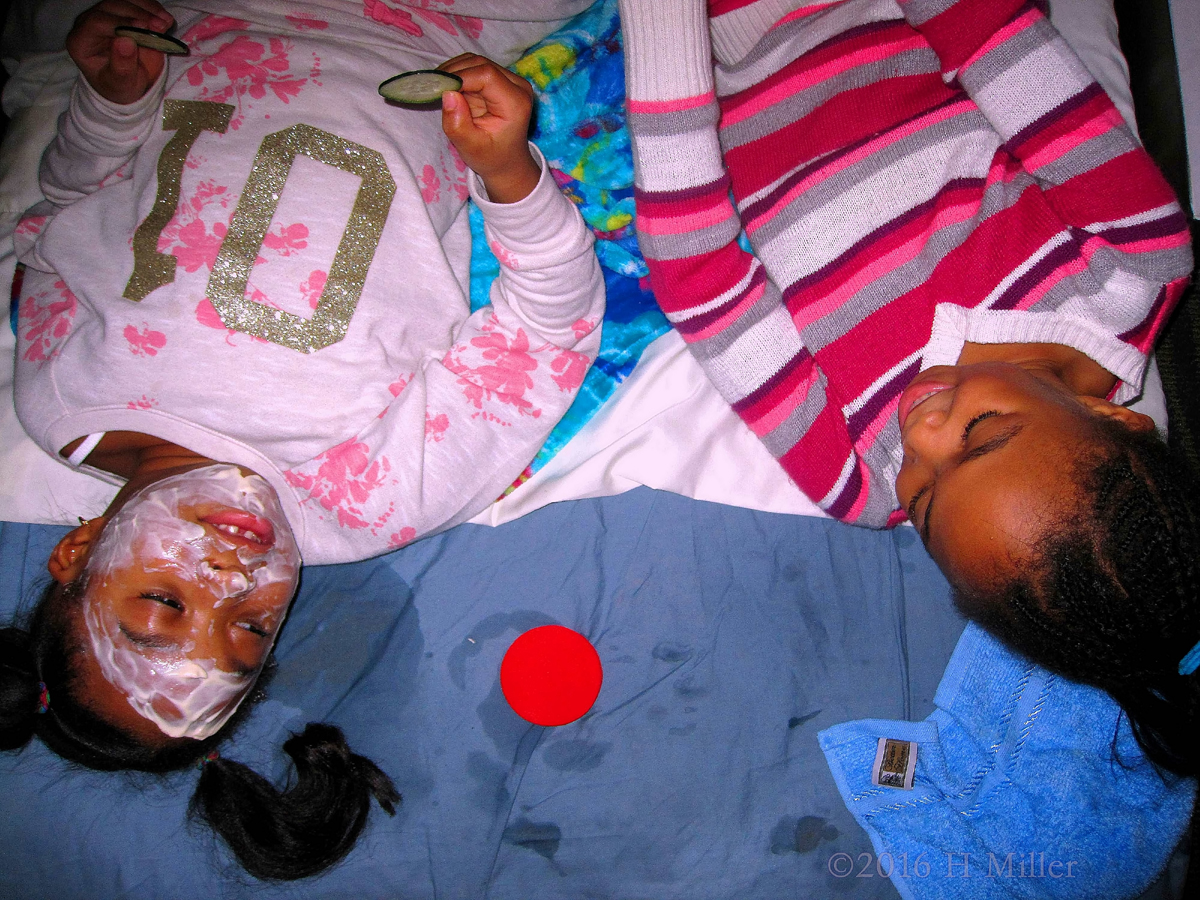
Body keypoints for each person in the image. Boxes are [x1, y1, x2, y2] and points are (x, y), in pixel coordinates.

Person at [1, 0, 604, 880]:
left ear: (81, 550)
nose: (233, 580)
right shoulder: (362, 501)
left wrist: (111, 109)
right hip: (431, 28)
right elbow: (546, 334)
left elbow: (58, 220)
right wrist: (511, 178)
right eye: (249, 629)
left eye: (165, 605)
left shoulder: (60, 398)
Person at [618, 0, 1200, 774]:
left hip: (696, 77)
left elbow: (701, 277)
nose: (919, 438)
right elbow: (987, 30)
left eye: (922, 505)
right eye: (983, 435)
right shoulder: (1134, 265)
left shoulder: (860, 482)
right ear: (1119, 418)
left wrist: (663, 23)